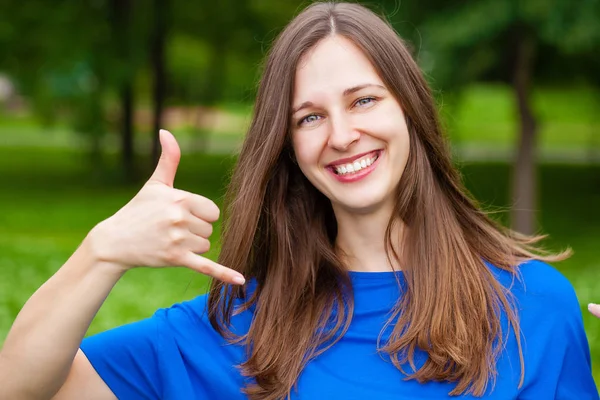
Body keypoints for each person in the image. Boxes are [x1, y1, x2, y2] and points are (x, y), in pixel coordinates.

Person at [0, 2, 597, 399]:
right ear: (287, 148)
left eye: (363, 100)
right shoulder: (236, 333)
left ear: (410, 109)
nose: (341, 135)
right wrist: (102, 251)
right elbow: (20, 388)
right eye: (310, 116)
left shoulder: (533, 307)